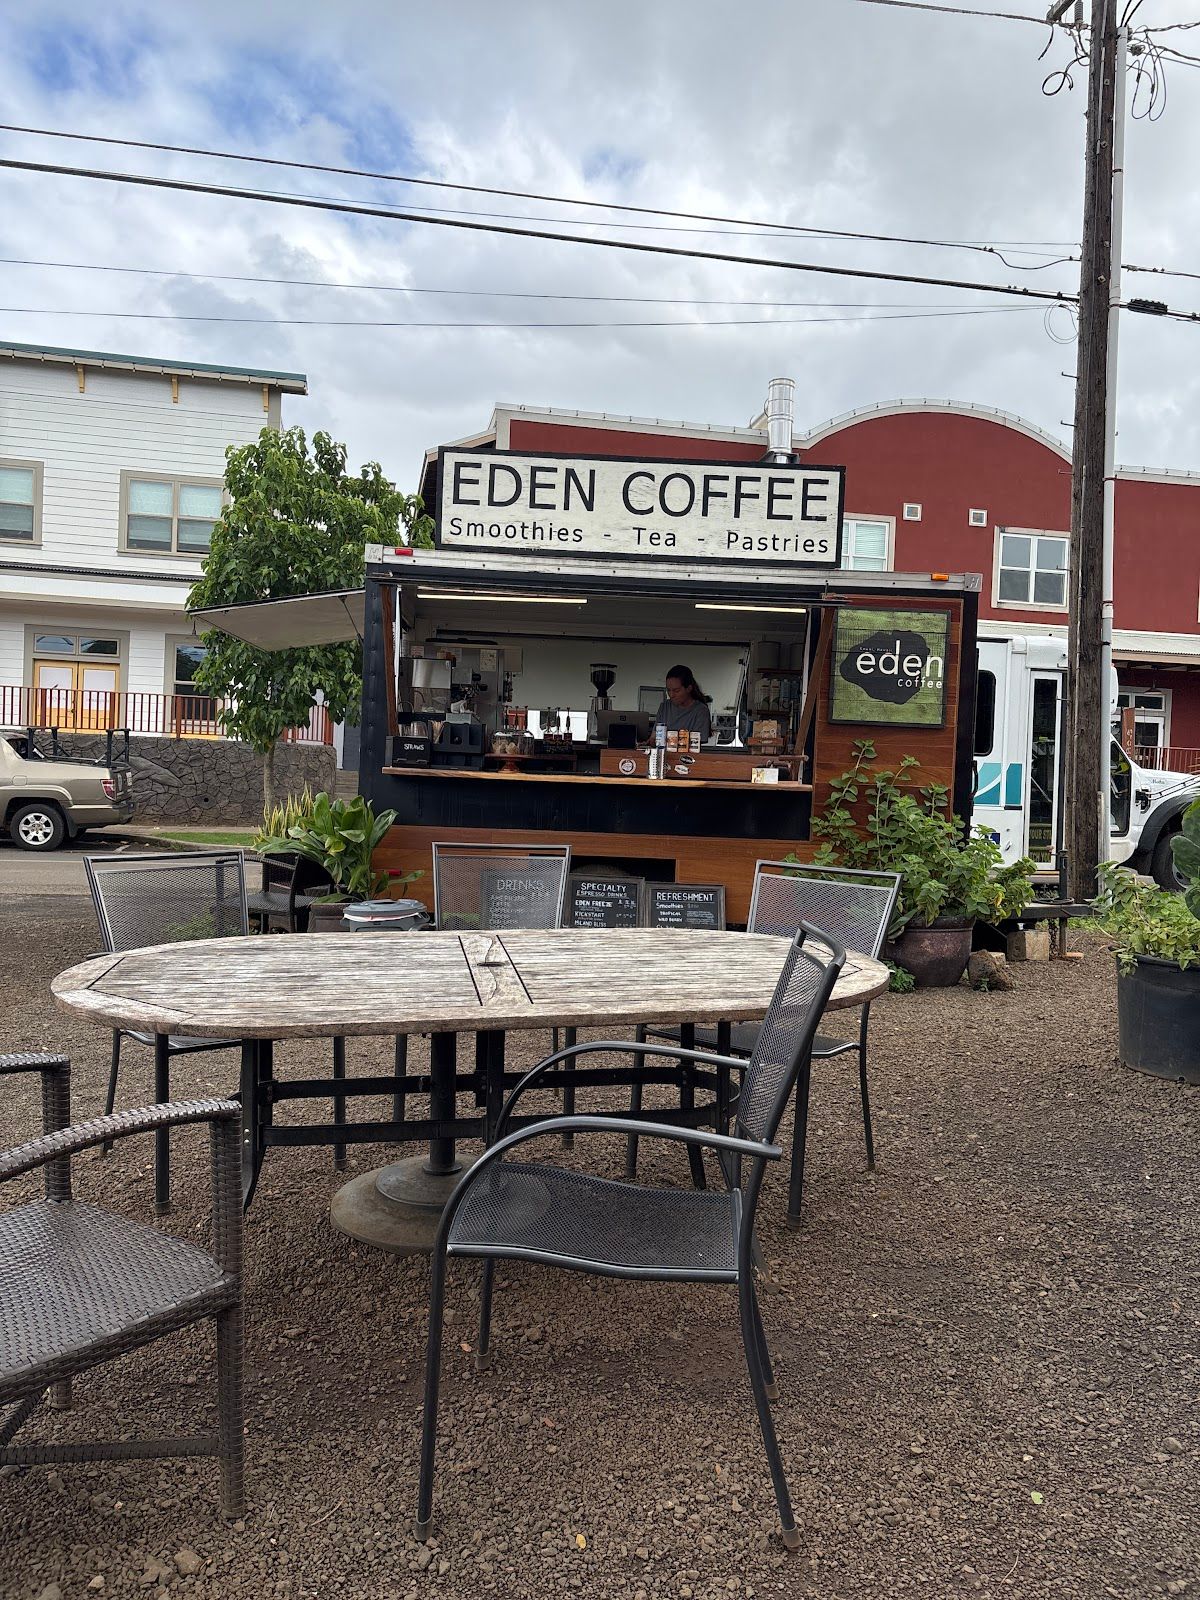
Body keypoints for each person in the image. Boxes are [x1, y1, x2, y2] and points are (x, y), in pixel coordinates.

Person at [655, 664, 712, 739]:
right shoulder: (664, 707)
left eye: (676, 690)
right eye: (668, 690)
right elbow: (654, 737)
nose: (671, 695)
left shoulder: (701, 711)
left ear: (689, 688)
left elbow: (696, 744)